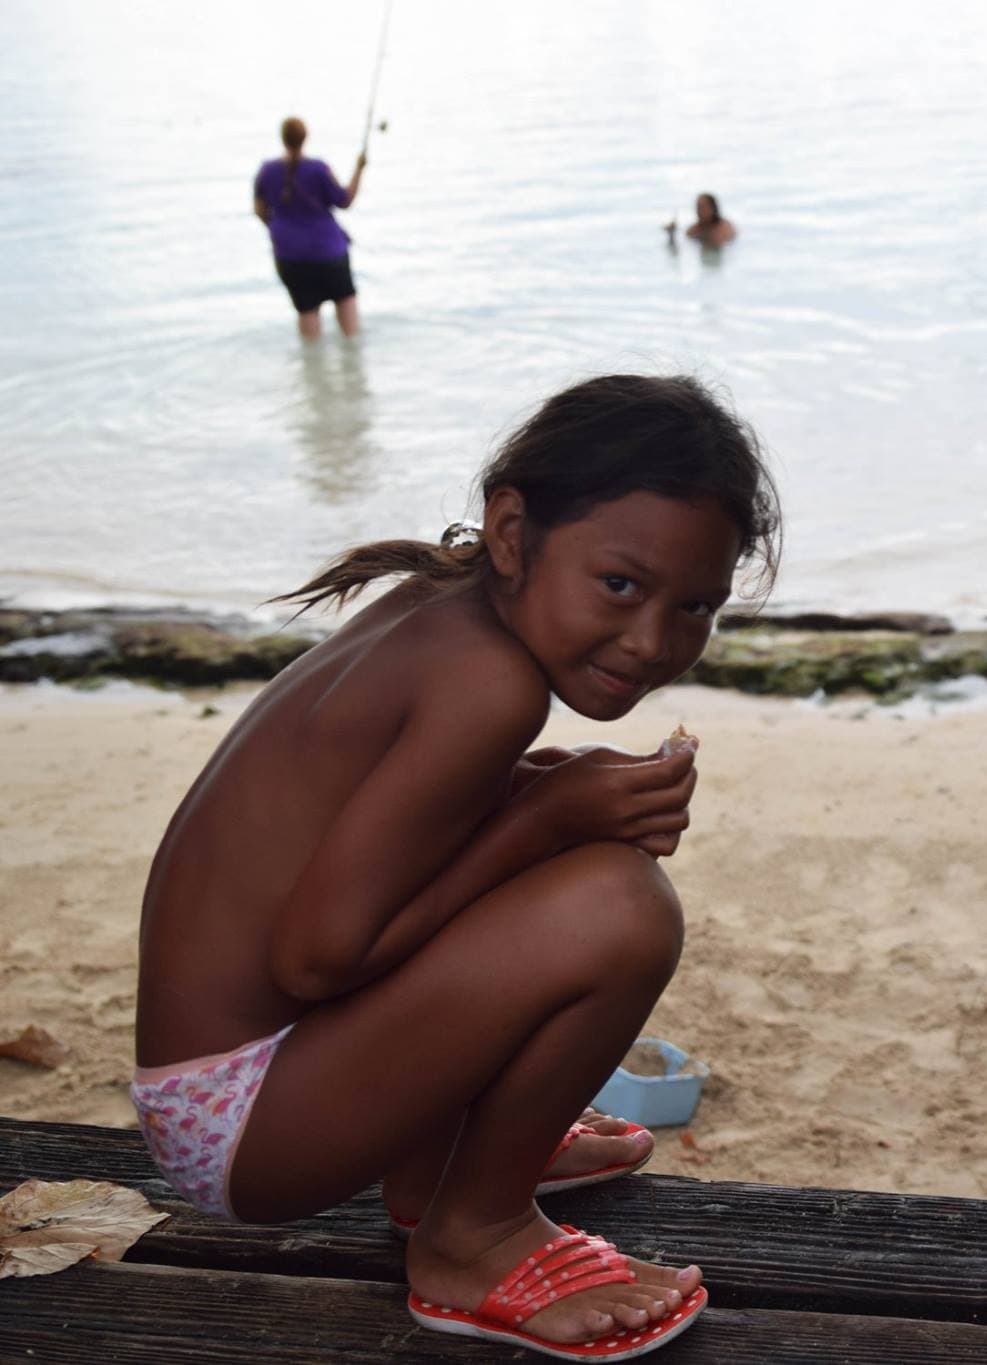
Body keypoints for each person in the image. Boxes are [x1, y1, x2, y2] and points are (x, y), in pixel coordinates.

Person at [131, 374, 781, 1357]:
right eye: (620, 584)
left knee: (567, 847)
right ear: (514, 533)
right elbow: (317, 961)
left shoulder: (437, 609)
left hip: (232, 1087)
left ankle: (436, 1170)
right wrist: (544, 817)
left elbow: (385, 835)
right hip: (246, 1122)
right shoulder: (488, 684)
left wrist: (529, 793)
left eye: (695, 606)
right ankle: (473, 1237)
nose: (653, 640)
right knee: (618, 904)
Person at [254, 117, 366, 340]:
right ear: (305, 138)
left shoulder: (267, 171)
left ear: (283, 139)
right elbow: (345, 200)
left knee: (307, 311)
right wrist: (359, 168)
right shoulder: (318, 169)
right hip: (329, 251)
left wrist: (280, 228)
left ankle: (311, 370)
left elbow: (259, 211)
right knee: (345, 303)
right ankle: (354, 367)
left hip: (290, 255)